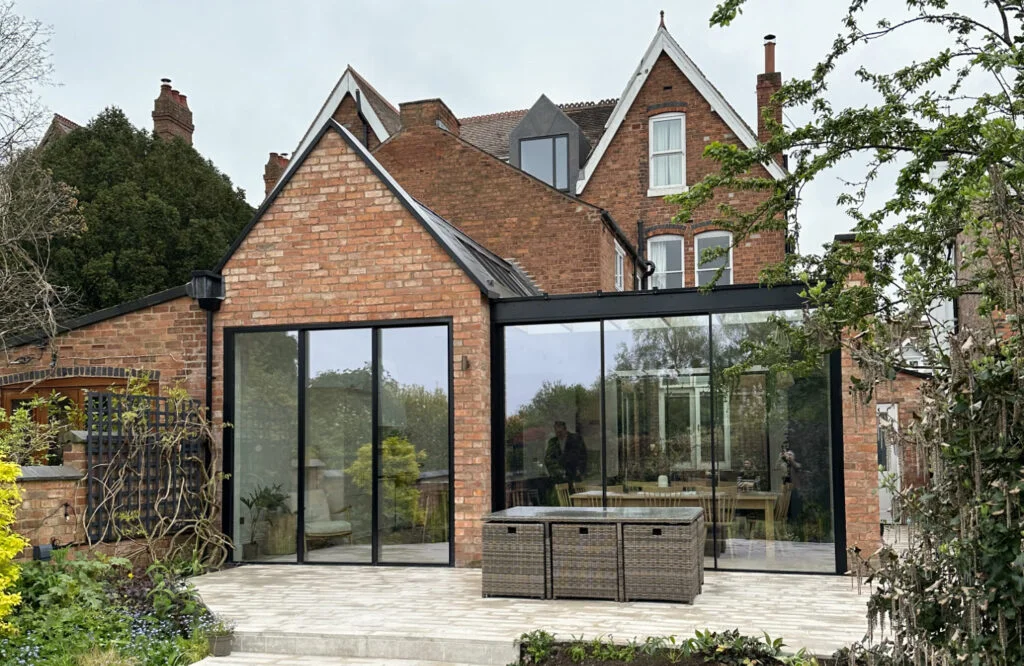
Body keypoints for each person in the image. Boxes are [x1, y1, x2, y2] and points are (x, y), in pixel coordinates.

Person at [544, 420, 588, 487]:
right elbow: (549, 459)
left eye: (560, 432)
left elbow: (583, 455)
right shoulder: (553, 442)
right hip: (559, 477)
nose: (559, 434)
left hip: (574, 473)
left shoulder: (576, 439)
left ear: (565, 430)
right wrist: (558, 471)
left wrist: (580, 470)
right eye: (557, 432)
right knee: (562, 494)